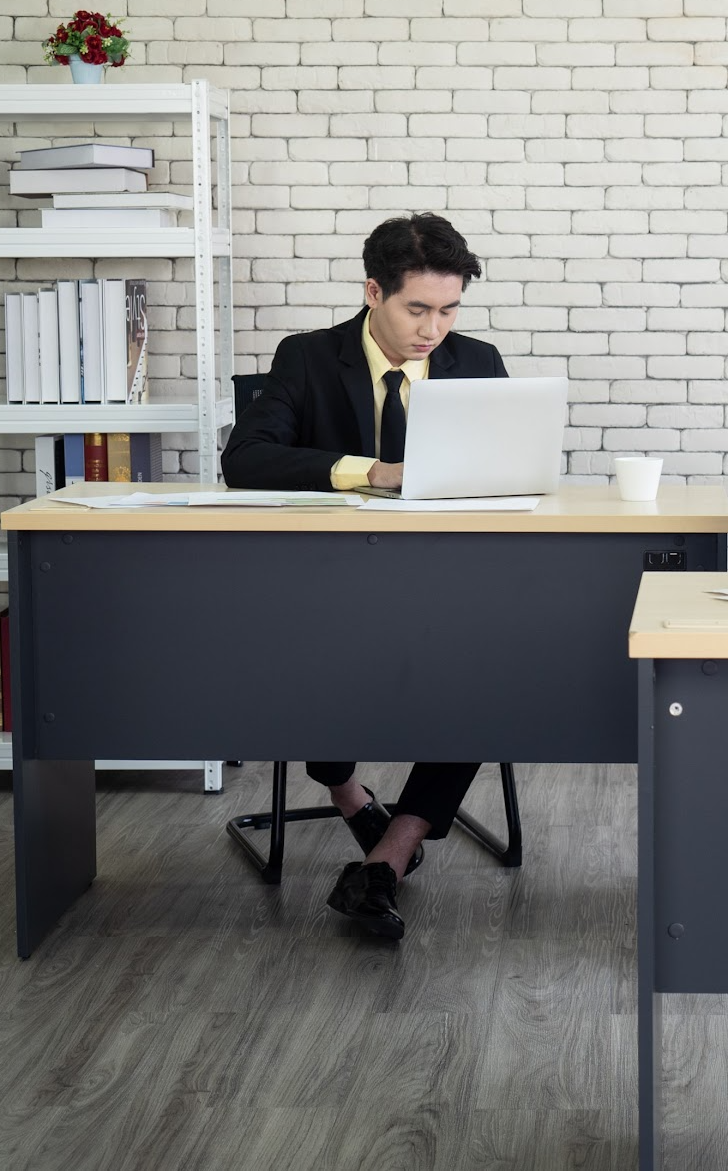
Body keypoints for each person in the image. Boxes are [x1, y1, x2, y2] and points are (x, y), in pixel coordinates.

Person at [221, 212, 507, 942]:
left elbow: (510, 480)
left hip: (447, 589)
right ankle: (351, 796)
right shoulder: (309, 359)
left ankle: (387, 855)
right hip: (329, 586)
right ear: (374, 291)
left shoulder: (477, 364)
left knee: (489, 660)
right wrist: (370, 473)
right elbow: (245, 459)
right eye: (418, 309)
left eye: (448, 311)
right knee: (319, 645)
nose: (433, 330)